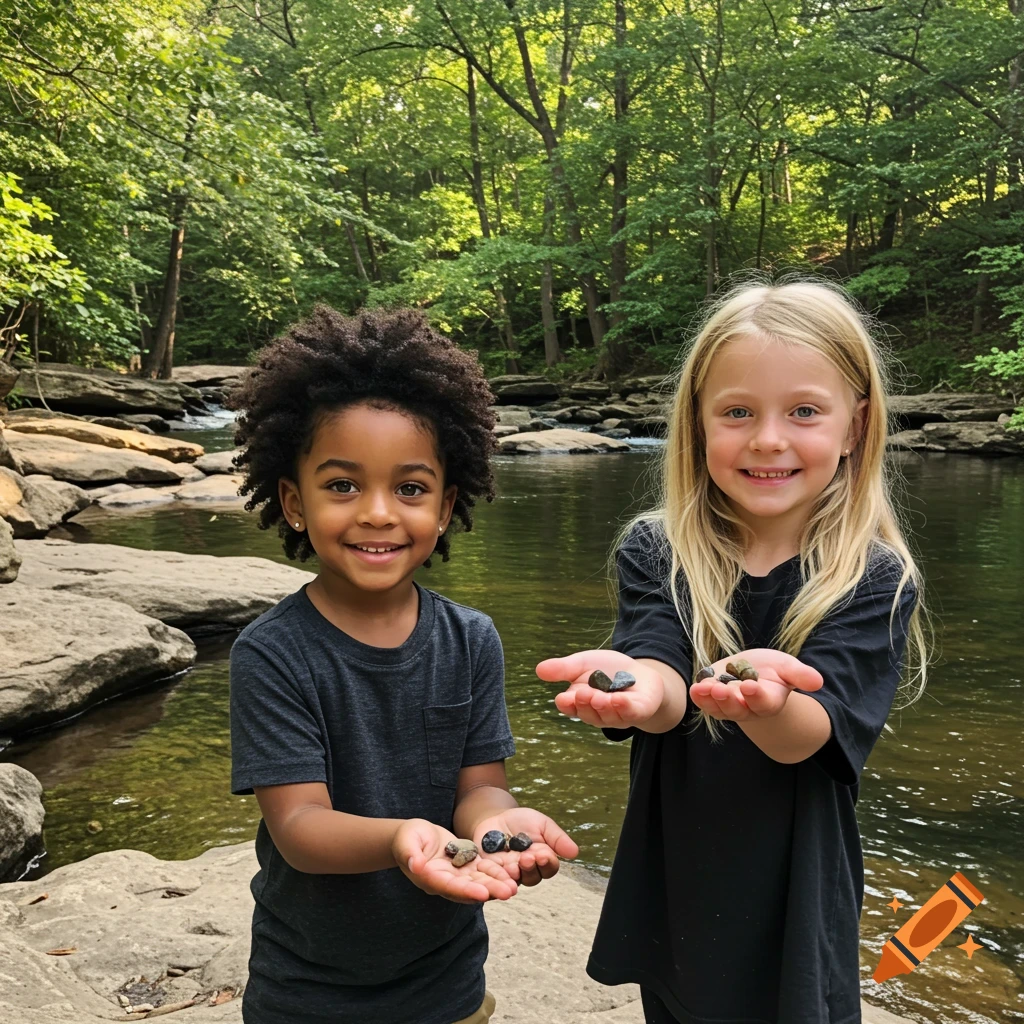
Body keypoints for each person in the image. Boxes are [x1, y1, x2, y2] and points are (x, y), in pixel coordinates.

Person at [536, 280, 928, 1024]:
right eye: (738, 412)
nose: (768, 439)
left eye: (804, 411)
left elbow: (815, 736)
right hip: (677, 870)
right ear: (696, 425)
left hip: (794, 885)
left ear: (856, 426)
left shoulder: (873, 576)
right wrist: (635, 691)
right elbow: (655, 666)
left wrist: (771, 700)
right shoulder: (658, 549)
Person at [227, 306, 578, 1024]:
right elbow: (299, 826)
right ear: (293, 502)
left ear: (447, 506)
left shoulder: (472, 639)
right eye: (343, 486)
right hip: (310, 993)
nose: (380, 513)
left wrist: (499, 829)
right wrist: (398, 839)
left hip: (446, 982)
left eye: (410, 489)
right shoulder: (271, 652)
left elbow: (480, 789)